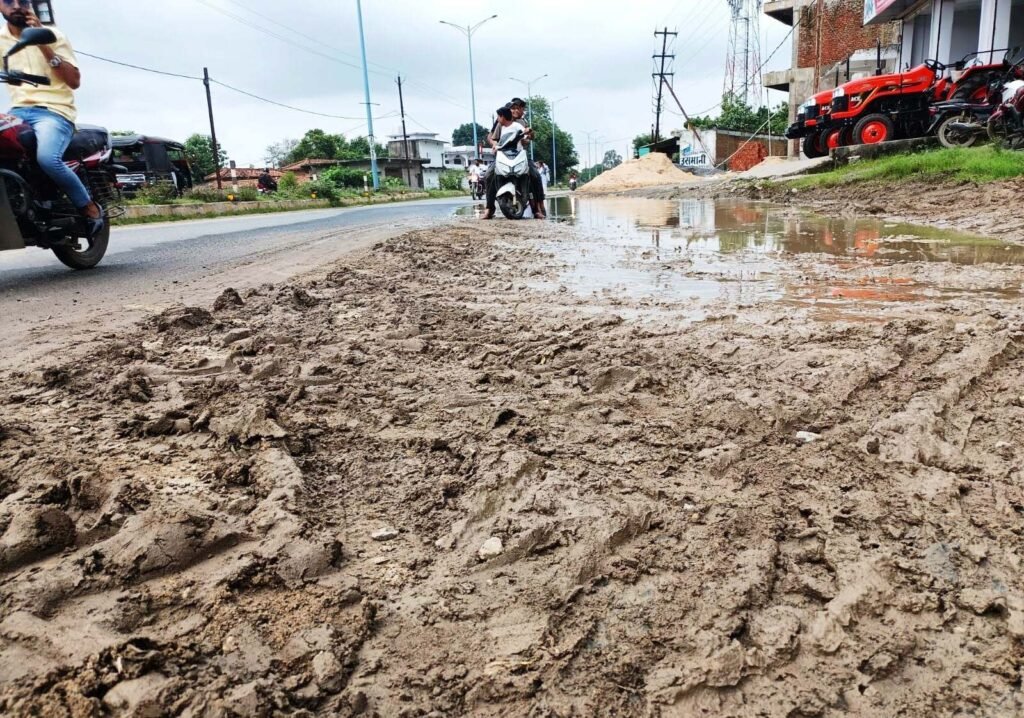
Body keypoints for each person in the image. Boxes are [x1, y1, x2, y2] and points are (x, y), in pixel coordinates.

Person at [0, 1, 103, 236]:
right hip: (17, 111)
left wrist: (44, 46)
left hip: (54, 111)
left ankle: (89, 207)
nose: (16, 5)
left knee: (47, 158)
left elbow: (74, 81)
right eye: (8, 1)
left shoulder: (52, 35)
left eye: (23, 1)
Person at [482, 98, 545, 219]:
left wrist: (527, 137)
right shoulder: (500, 122)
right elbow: (492, 137)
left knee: (535, 175)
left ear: (522, 110)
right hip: (503, 156)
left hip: (520, 155)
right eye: (512, 108)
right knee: (489, 175)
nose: (515, 110)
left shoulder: (521, 123)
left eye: (518, 108)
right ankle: (489, 208)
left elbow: (529, 136)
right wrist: (494, 144)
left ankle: (536, 208)